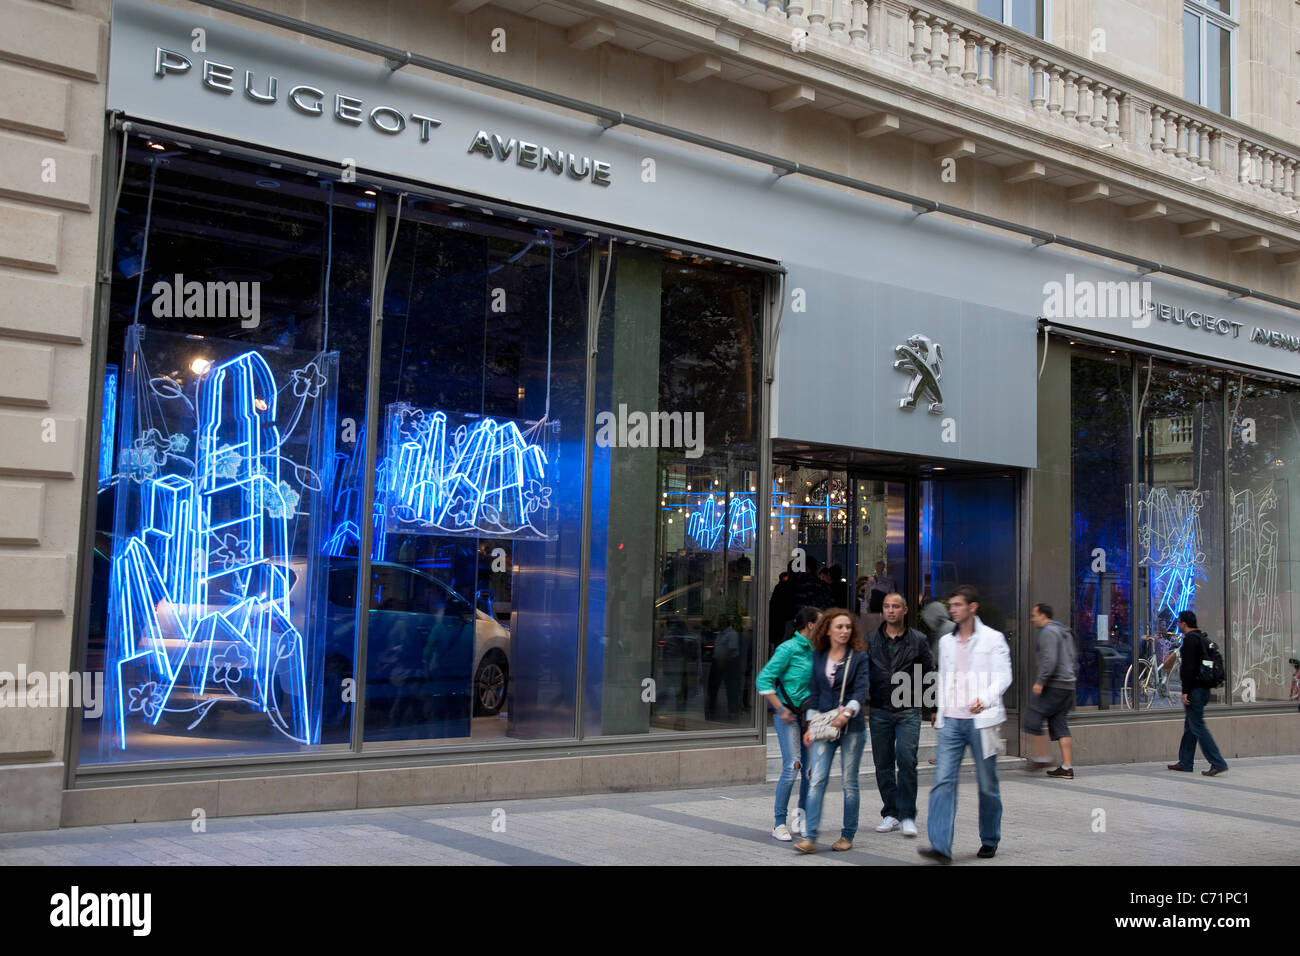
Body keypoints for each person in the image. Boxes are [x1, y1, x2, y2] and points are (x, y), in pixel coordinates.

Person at [918, 585, 1012, 864]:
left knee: (987, 784)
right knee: (943, 780)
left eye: (958, 605)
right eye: (952, 605)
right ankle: (941, 846)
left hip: (982, 722)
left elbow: (1004, 676)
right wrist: (938, 709)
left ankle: (990, 837)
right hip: (952, 722)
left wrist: (985, 698)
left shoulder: (993, 639)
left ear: (973, 607)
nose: (952, 609)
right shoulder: (947, 641)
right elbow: (944, 678)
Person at [794, 608, 870, 854]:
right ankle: (810, 836)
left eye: (848, 627)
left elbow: (861, 690)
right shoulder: (819, 656)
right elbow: (814, 692)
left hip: (852, 728)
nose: (845, 631)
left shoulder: (858, 657)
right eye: (839, 627)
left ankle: (847, 835)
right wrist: (809, 726)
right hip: (824, 725)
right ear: (827, 629)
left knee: (849, 782)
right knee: (816, 779)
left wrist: (847, 713)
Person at [866, 592, 935, 837]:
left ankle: (907, 814)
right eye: (886, 606)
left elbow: (929, 672)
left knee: (907, 760)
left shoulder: (918, 640)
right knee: (883, 763)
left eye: (895, 606)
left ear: (905, 610)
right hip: (880, 708)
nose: (891, 610)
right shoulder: (871, 639)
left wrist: (933, 708)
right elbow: (863, 672)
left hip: (908, 707)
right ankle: (890, 813)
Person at [756, 606, 820, 841]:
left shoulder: (818, 649)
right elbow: (763, 679)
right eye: (821, 622)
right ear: (811, 625)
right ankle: (778, 823)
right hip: (789, 717)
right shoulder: (788, 648)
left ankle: (802, 818)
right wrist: (780, 708)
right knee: (792, 767)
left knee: (811, 771)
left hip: (811, 717)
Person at [1167, 610, 1229, 776]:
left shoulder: (1190, 641)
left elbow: (1188, 668)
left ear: (1184, 624)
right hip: (1203, 689)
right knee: (1191, 726)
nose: (1178, 625)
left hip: (1194, 690)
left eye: (1179, 622)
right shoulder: (1202, 638)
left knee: (1198, 726)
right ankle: (1185, 762)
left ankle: (1217, 762)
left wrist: (1185, 691)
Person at [1024, 603, 1077, 778]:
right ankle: (1067, 767)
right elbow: (1072, 657)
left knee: (1033, 715)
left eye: (1034, 615)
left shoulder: (1048, 632)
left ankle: (1042, 757)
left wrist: (1041, 681)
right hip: (1068, 685)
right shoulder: (1064, 632)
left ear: (1043, 616)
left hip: (1054, 684)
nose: (1032, 619)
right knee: (1059, 723)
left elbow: (1049, 659)